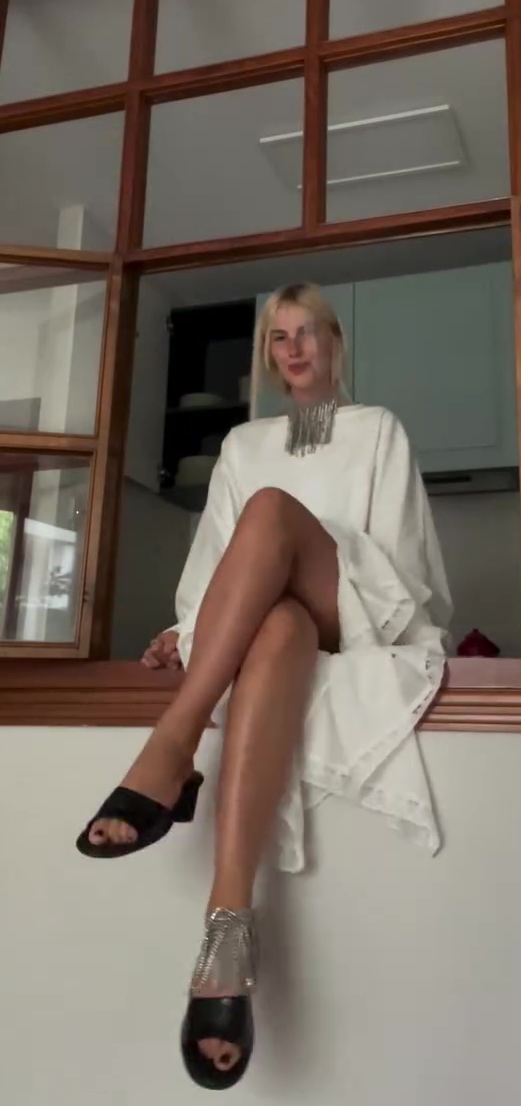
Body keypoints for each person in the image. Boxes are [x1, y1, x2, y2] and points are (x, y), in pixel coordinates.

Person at [76, 282, 452, 1090]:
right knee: (276, 624)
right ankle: (228, 929)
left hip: (354, 605)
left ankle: (171, 746)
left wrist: (300, 564)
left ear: (336, 342)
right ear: (269, 355)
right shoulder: (245, 444)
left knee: (274, 514)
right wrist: (187, 630)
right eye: (279, 337)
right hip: (278, 623)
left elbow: (401, 558)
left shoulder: (376, 429)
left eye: (309, 332)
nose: (295, 348)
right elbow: (214, 560)